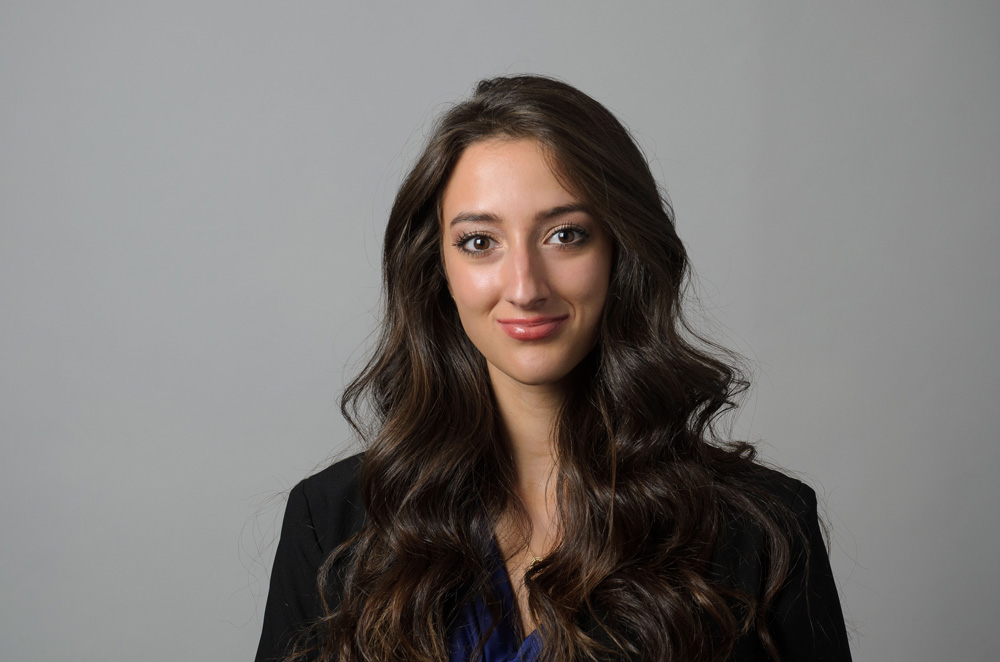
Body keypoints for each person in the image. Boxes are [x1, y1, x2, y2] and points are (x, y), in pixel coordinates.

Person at [255, 75, 852, 662]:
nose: (525, 287)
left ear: (621, 251)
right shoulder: (331, 522)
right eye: (480, 242)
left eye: (566, 235)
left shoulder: (763, 529)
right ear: (437, 268)